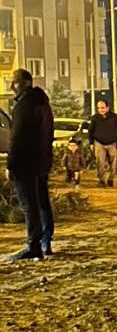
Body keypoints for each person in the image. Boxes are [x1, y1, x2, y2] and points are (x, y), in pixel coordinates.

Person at [6, 69, 55, 261]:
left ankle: (34, 245)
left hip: (26, 163)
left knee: (30, 205)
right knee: (42, 202)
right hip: (41, 161)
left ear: (26, 83)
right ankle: (45, 241)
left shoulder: (23, 106)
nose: (11, 86)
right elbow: (49, 133)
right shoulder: (43, 104)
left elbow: (16, 138)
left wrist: (11, 164)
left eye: (15, 82)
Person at [89, 99, 117, 188]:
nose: (101, 110)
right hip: (99, 143)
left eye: (102, 107)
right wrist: (91, 143)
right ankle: (101, 180)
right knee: (100, 163)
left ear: (107, 107)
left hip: (112, 143)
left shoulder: (115, 117)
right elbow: (90, 131)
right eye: (99, 108)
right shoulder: (95, 118)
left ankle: (110, 179)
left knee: (113, 163)